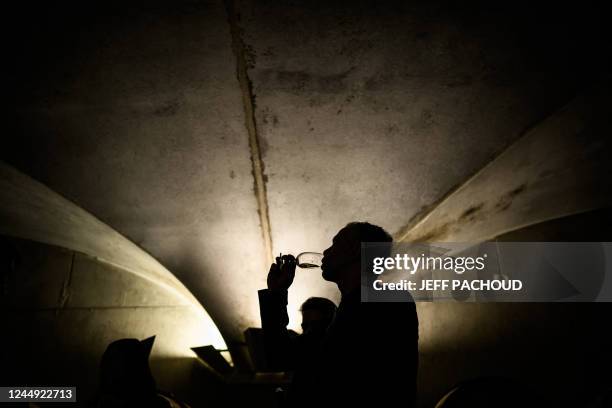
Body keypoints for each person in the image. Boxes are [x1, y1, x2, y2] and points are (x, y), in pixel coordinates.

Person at [266, 222, 419, 407]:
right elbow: (280, 356)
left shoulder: (390, 302)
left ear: (355, 250)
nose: (327, 251)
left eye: (335, 243)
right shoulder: (337, 318)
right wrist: (276, 292)